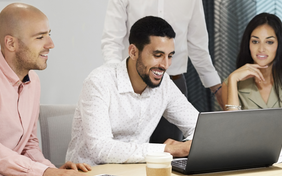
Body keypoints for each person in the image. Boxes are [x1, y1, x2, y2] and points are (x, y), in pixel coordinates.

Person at [100, 0, 221, 143]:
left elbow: (198, 46)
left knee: (169, 154)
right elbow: (112, 41)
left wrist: (216, 88)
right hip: (132, 84)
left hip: (172, 83)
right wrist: (115, 83)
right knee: (127, 151)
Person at [0, 3, 97, 176]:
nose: (51, 44)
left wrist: (52, 170)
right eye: (40, 37)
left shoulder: (33, 81)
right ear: (11, 43)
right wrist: (43, 172)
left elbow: (28, 145)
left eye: (49, 34)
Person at [67, 16, 200, 164]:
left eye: (169, 56)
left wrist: (186, 145)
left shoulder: (165, 85)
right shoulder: (99, 82)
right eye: (158, 55)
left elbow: (199, 126)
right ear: (133, 52)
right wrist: (167, 150)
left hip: (136, 174)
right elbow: (101, 149)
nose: (165, 65)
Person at [217, 13, 282, 141]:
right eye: (255, 41)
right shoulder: (230, 83)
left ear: (279, 45)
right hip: (247, 157)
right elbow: (233, 131)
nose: (261, 49)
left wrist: (246, 125)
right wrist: (233, 80)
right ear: (248, 44)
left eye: (269, 42)